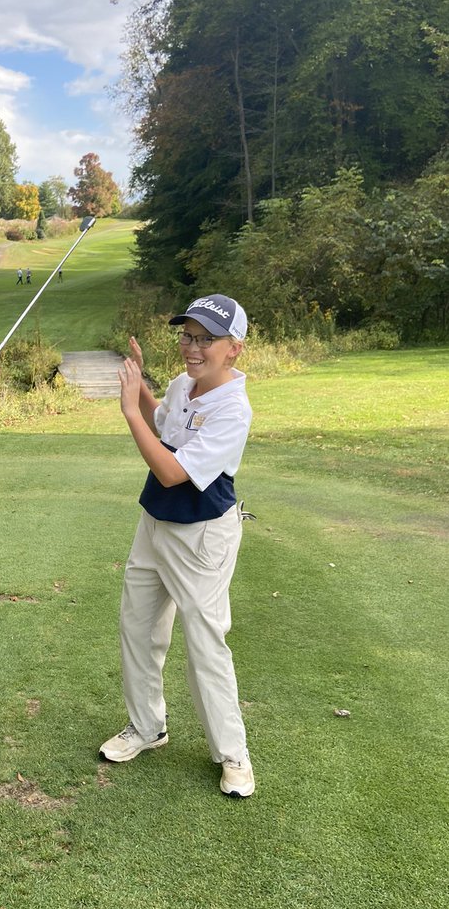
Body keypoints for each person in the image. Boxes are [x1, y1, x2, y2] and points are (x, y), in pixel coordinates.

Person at [99, 294, 255, 798]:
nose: (193, 347)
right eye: (188, 335)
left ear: (234, 348)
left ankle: (233, 754)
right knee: (138, 628)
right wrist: (141, 386)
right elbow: (165, 422)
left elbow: (170, 472)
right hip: (156, 523)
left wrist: (128, 413)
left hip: (202, 535)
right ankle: (148, 727)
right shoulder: (183, 385)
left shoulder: (234, 408)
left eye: (206, 339)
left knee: (205, 645)